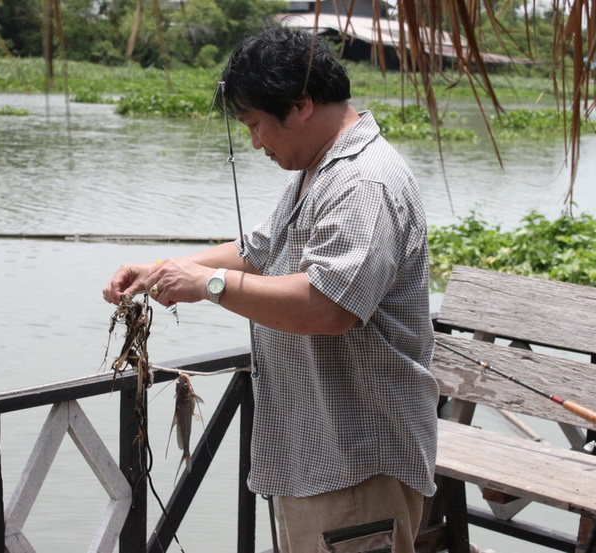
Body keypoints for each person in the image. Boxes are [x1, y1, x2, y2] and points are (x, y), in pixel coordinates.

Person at [102, 25, 438, 553]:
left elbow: (329, 307)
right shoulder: (319, 169)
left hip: (354, 464)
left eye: (257, 124)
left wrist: (209, 284)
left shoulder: (362, 182)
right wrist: (163, 269)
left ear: (301, 104)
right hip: (309, 457)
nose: (256, 142)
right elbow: (258, 252)